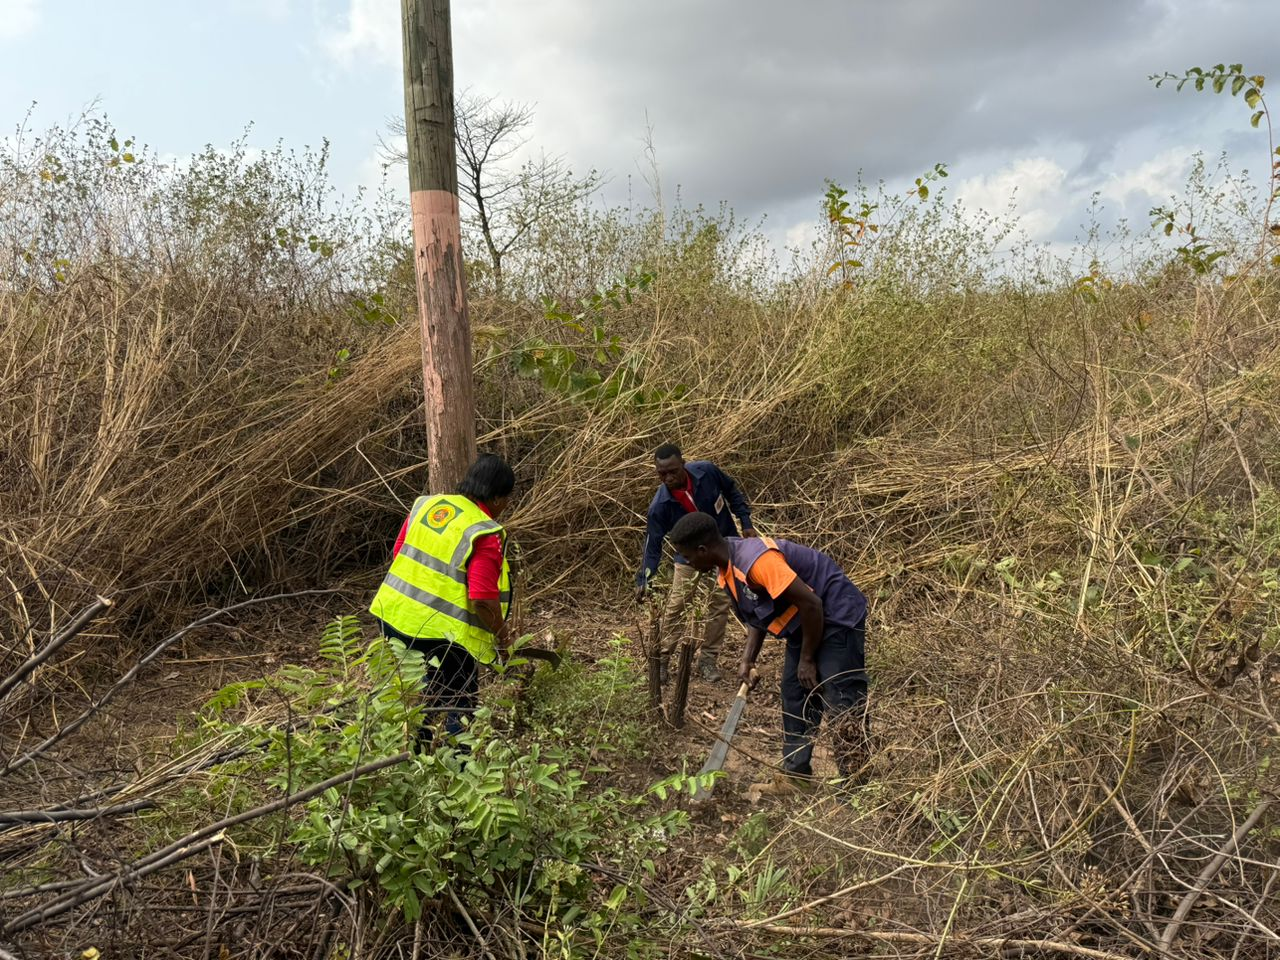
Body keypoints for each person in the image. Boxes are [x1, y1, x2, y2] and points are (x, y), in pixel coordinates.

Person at [666, 512, 869, 792]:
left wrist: (808, 659)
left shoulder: (758, 562)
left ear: (703, 550)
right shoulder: (726, 570)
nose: (686, 562)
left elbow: (811, 603)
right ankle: (796, 777)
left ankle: (859, 788)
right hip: (805, 621)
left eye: (687, 556)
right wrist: (748, 659)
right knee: (795, 692)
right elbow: (756, 616)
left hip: (834, 614)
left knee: (840, 697)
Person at [369, 453, 515, 742]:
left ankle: (412, 752)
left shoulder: (427, 506)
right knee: (459, 702)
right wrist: (504, 639)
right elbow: (483, 600)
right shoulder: (483, 533)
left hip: (392, 617)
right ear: (498, 498)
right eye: (508, 499)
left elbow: (399, 553)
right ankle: (460, 768)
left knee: (419, 692)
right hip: (443, 636)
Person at [635, 443, 756, 683]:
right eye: (662, 474)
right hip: (689, 557)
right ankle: (663, 659)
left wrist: (746, 521)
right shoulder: (660, 506)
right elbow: (653, 545)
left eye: (673, 471)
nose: (668, 478)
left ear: (683, 464)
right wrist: (645, 579)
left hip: (722, 548)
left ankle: (708, 660)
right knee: (678, 604)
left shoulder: (707, 472)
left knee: (720, 603)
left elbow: (732, 490)